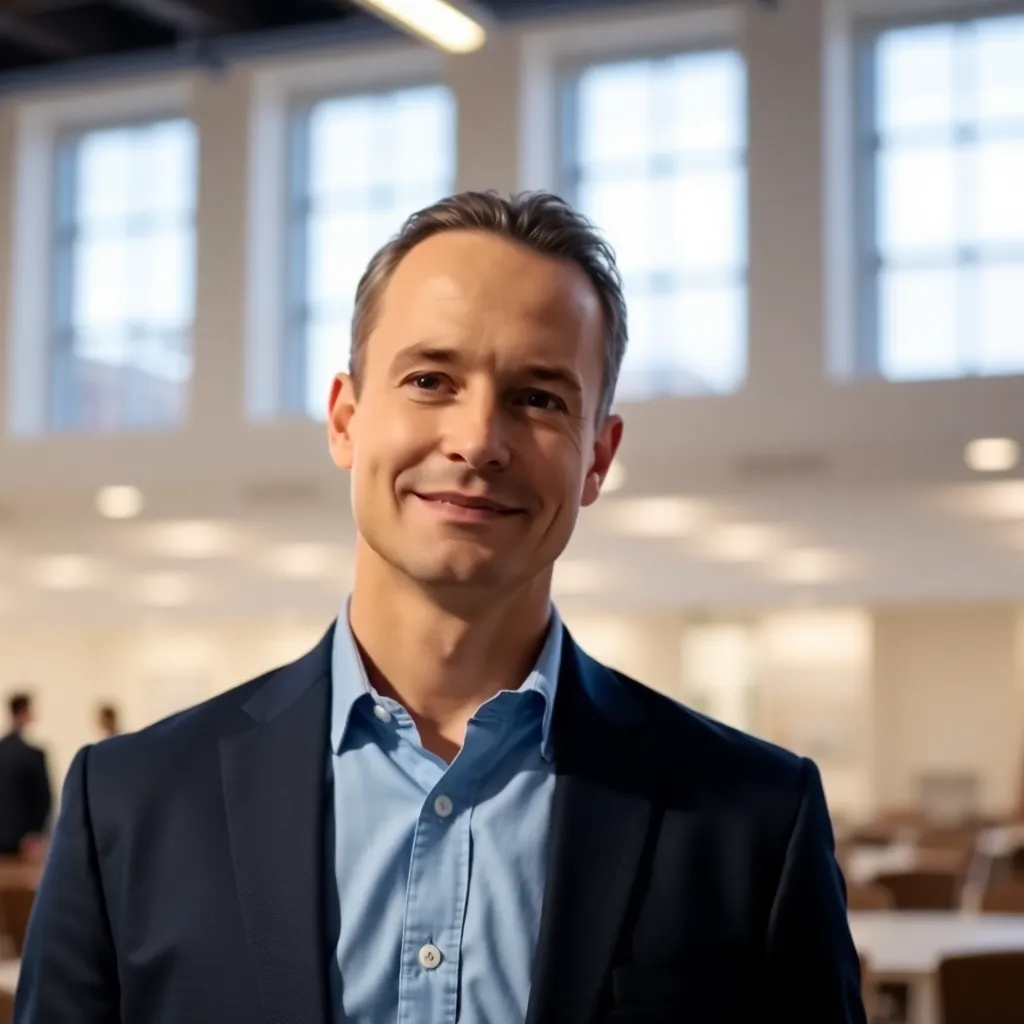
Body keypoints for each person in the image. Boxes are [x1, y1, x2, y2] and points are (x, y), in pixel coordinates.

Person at [16, 191, 865, 1023]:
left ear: (598, 458)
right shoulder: (128, 805)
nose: (478, 440)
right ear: (347, 419)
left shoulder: (752, 817)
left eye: (539, 398)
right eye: (430, 379)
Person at [0, 694, 52, 862]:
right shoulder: (33, 754)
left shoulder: (4, 750)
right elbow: (44, 799)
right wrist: (36, 833)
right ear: (25, 711)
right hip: (24, 844)